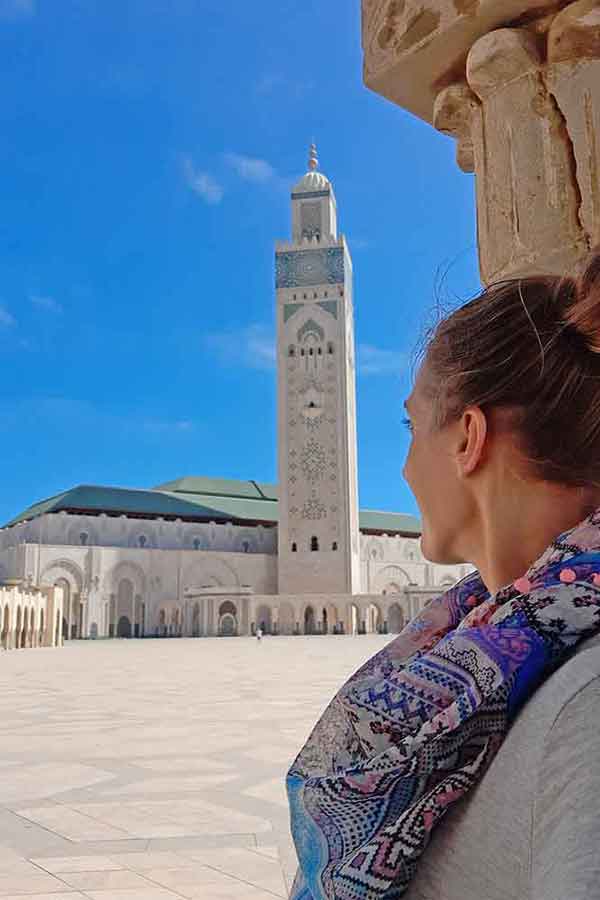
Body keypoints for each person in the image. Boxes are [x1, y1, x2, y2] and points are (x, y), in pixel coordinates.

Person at [286, 249, 600, 899]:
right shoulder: (499, 649)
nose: (404, 467)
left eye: (411, 427)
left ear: (467, 438)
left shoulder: (584, 708)